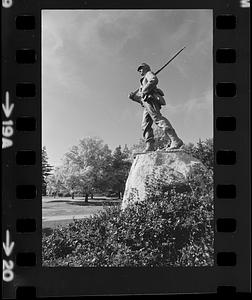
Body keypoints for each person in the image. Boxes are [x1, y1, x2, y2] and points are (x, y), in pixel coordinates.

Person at [128, 63, 183, 152]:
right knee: (145, 125)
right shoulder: (143, 81)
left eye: (141, 69)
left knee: (157, 119)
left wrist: (144, 90)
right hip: (146, 103)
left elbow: (154, 80)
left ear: (146, 68)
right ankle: (150, 146)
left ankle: (175, 140)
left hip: (151, 100)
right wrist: (133, 97)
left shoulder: (148, 74)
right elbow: (142, 99)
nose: (140, 71)